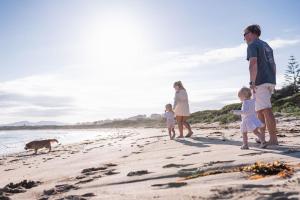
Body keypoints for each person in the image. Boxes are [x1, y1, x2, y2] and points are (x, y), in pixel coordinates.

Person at [244, 24, 278, 145]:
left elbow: (253, 63)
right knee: (259, 110)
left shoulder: (253, 45)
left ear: (253, 33)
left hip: (260, 81)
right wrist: (273, 80)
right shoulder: (266, 45)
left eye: (245, 34)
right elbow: (273, 65)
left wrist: (252, 82)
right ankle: (262, 137)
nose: (244, 38)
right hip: (269, 79)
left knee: (265, 109)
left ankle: (273, 139)